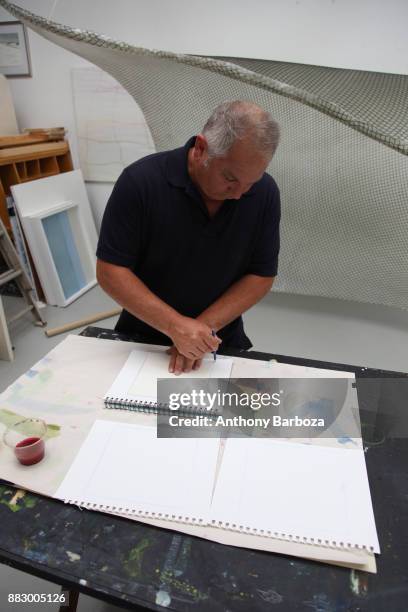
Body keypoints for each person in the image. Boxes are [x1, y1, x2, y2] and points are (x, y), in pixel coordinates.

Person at [96, 100, 281, 374]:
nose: (239, 193)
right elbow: (111, 270)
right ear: (201, 149)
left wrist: (200, 331)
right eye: (230, 178)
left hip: (217, 342)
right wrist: (175, 326)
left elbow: (261, 274)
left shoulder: (264, 193)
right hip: (142, 339)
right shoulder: (140, 183)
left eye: (250, 182)